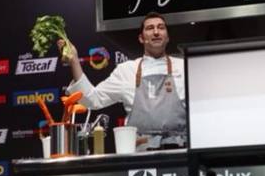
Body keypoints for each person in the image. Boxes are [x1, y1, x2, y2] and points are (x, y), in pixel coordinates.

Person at [59, 12, 187, 150]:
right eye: (150, 28)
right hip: (141, 153)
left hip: (180, 150)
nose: (156, 32)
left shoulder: (184, 66)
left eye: (161, 27)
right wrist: (74, 61)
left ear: (167, 37)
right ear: (141, 38)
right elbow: (93, 99)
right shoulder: (126, 70)